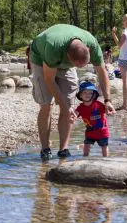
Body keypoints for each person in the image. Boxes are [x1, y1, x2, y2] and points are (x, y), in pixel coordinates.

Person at [30, 24, 115, 161]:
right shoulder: (53, 46)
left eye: (83, 66)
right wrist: (64, 106)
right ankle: (45, 149)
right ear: (68, 56)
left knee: (69, 104)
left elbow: (101, 71)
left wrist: (107, 100)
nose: (80, 68)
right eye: (78, 66)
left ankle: (63, 149)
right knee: (47, 105)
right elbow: (49, 79)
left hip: (65, 62)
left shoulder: (92, 44)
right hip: (41, 60)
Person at [72, 82, 109, 157]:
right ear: (80, 95)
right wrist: (72, 118)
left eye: (90, 93)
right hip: (90, 132)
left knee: (104, 146)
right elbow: (75, 114)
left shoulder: (98, 105)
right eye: (85, 92)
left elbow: (107, 110)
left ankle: (106, 159)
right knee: (86, 146)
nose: (87, 95)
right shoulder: (81, 107)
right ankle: (85, 158)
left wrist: (109, 111)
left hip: (102, 131)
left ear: (94, 95)